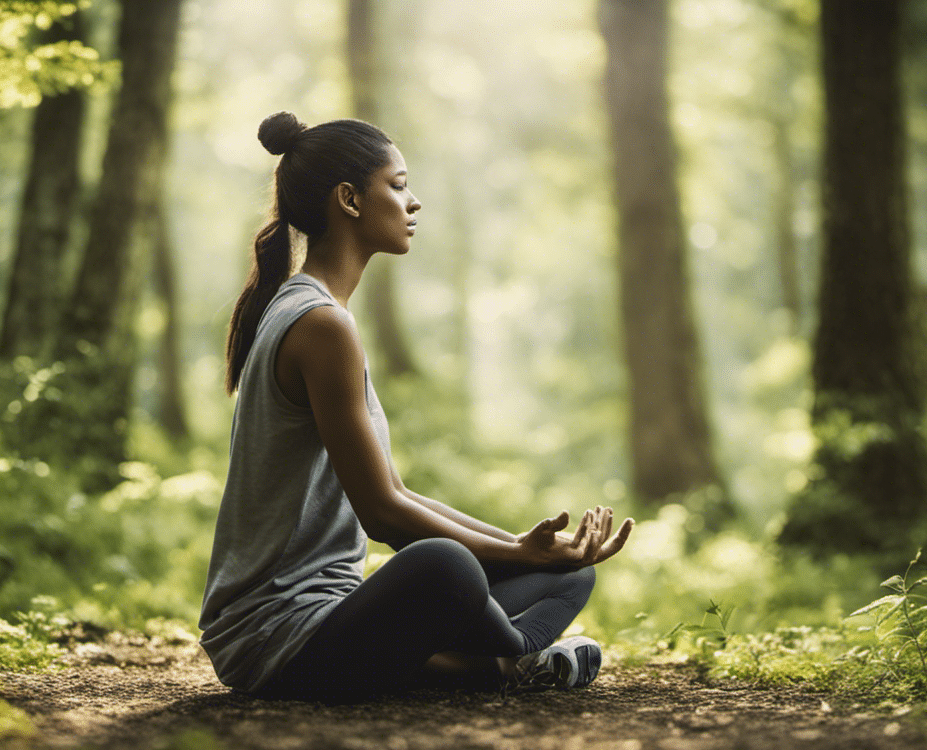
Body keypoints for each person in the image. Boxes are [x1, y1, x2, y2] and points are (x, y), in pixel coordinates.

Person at [199, 113, 633, 701]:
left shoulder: (317, 310)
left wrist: (524, 550)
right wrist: (506, 553)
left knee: (567, 573)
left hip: (333, 619)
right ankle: (508, 667)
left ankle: (475, 666)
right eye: (399, 185)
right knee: (443, 566)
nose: (414, 202)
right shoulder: (320, 324)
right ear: (349, 200)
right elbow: (383, 516)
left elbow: (399, 494)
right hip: (276, 637)